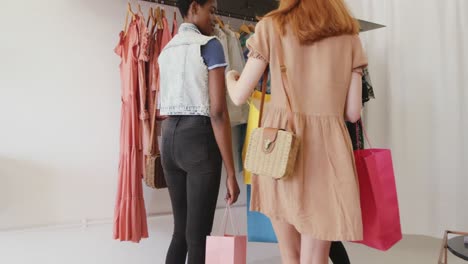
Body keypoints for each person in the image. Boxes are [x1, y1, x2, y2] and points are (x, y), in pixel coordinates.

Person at [226, 0, 367, 263]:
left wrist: (229, 77)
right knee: (316, 259)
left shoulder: (271, 27)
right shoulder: (349, 35)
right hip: (329, 152)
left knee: (290, 255)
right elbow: (353, 113)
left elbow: (239, 95)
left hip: (281, 147)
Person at [157, 0, 240, 263]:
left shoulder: (167, 49)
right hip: (198, 141)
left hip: (168, 138)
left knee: (179, 233)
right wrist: (231, 171)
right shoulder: (210, 45)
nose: (214, 18)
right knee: (198, 238)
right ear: (194, 7)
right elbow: (217, 112)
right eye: (211, 10)